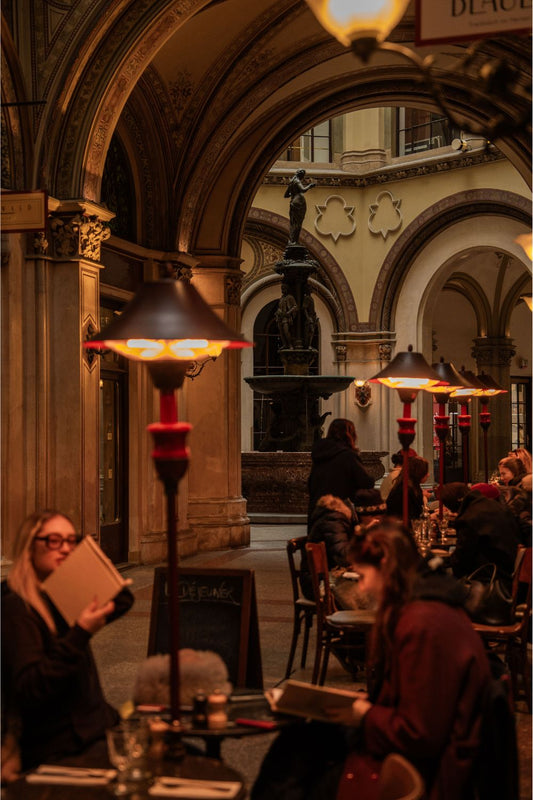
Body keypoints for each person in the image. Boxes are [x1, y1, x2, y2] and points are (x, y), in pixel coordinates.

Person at [251, 519, 491, 800]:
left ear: (386, 565)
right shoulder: (423, 610)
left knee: (294, 764)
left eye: (363, 576)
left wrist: (363, 713)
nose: (362, 588)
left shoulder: (424, 624)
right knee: (299, 741)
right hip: (407, 744)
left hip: (423, 770)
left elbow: (419, 733)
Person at [1, 510, 134, 773]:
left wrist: (90, 563)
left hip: (96, 730)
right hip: (62, 746)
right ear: (30, 546)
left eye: (71, 541)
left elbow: (122, 601)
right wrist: (80, 632)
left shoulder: (60, 594)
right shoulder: (17, 608)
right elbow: (31, 687)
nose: (64, 549)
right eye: (53, 540)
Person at [446, 484, 519, 590]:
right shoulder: (494, 506)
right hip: (510, 570)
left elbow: (462, 561)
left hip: (492, 579)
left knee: (440, 577)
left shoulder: (470, 517)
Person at [307, 418, 374, 526]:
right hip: (339, 514)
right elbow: (366, 482)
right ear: (350, 434)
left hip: (317, 512)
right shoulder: (348, 456)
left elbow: (311, 484)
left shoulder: (320, 455)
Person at [300, 494, 357, 602]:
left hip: (315, 580)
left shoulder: (331, 518)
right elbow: (343, 554)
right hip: (319, 584)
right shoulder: (334, 521)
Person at [385, 456, 429, 522]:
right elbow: (411, 519)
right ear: (419, 472)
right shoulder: (404, 491)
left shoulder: (414, 487)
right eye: (426, 471)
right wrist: (430, 517)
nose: (428, 474)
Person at [284, 168, 316, 244]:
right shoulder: (297, 181)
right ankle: (295, 241)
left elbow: (286, 195)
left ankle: (292, 240)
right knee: (298, 223)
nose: (303, 177)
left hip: (293, 202)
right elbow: (303, 189)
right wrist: (310, 186)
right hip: (299, 202)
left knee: (293, 223)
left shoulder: (291, 182)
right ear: (301, 175)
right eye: (303, 176)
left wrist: (293, 194)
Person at [275, 284, 298, 349]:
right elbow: (279, 307)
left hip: (286, 317)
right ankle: (285, 344)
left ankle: (290, 344)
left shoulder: (290, 297)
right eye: (282, 289)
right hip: (280, 317)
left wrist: (288, 312)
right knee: (281, 332)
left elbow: (295, 306)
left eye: (284, 288)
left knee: (286, 331)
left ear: (287, 289)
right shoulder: (282, 298)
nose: (282, 290)